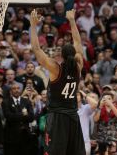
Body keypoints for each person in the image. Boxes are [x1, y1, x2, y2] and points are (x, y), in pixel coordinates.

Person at [30, 9, 85, 155]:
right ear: (74, 55)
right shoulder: (79, 67)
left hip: (58, 118)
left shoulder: (56, 69)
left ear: (61, 55)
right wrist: (72, 21)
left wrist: (33, 25)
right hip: (73, 116)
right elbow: (78, 42)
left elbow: (36, 49)